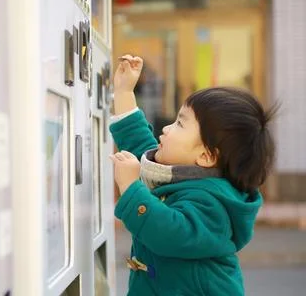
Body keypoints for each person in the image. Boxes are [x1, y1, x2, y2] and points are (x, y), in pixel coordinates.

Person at [109, 55, 277, 295]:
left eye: (180, 123)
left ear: (207, 156)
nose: (166, 128)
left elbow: (169, 233)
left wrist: (131, 188)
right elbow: (139, 144)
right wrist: (124, 90)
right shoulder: (179, 175)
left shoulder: (213, 204)